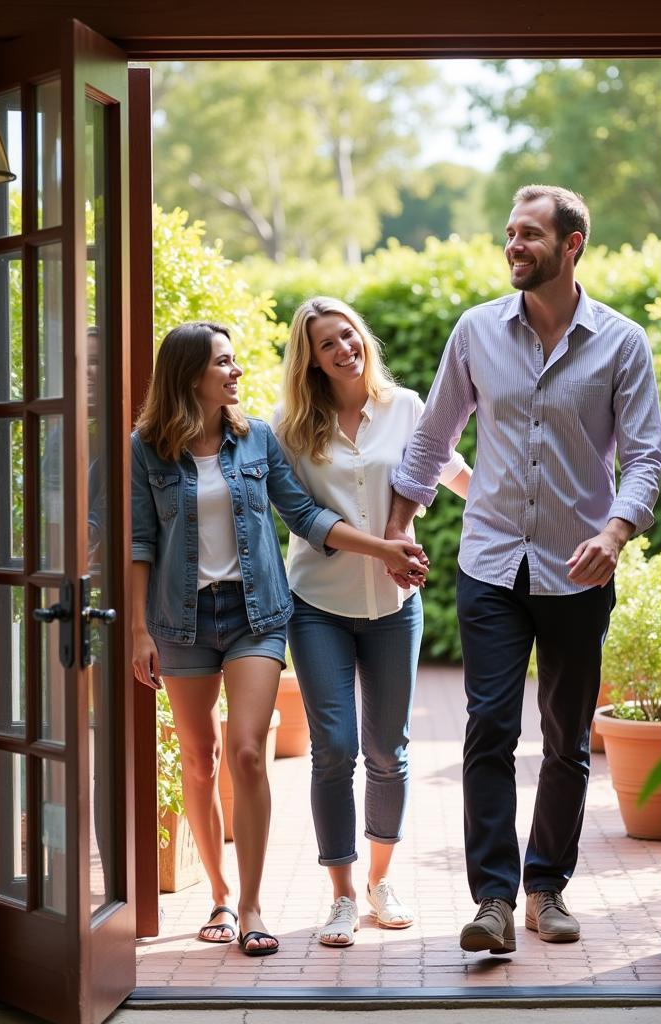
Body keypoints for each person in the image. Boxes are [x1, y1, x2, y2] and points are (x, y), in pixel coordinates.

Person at [386, 185, 661, 955]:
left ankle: (547, 886)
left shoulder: (621, 342)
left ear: (571, 245)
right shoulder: (476, 332)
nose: (515, 245)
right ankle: (496, 901)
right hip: (490, 564)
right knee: (489, 729)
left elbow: (646, 457)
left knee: (569, 738)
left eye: (531, 235)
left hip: (579, 570)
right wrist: (395, 533)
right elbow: (432, 440)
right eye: (510, 233)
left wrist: (615, 532)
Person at [130, 320, 428, 957]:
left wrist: (381, 547)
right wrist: (137, 630)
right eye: (224, 363)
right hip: (180, 621)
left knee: (245, 752)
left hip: (255, 615)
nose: (237, 372)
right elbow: (139, 544)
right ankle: (215, 892)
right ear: (190, 377)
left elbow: (304, 515)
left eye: (234, 362)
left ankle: (252, 904)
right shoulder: (146, 450)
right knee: (200, 758)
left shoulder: (255, 439)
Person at [273, 297, 470, 947]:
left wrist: (518, 509)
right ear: (311, 360)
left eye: (348, 335)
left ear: (364, 338)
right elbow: (304, 519)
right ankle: (341, 895)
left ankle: (381, 883)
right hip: (317, 605)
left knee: (389, 750)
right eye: (327, 344)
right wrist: (385, 548)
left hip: (393, 609)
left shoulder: (408, 408)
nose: (343, 349)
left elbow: (451, 473)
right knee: (334, 748)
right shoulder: (290, 429)